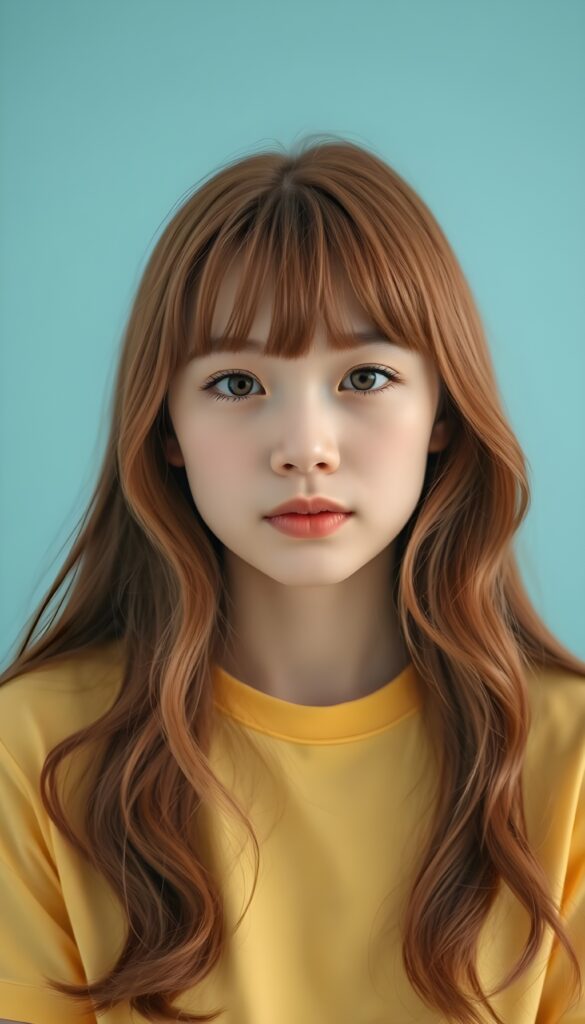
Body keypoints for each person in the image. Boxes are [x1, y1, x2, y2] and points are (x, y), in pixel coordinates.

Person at [0, 135, 583, 1024]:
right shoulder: (33, 750)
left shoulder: (567, 758)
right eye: (236, 383)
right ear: (167, 432)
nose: (303, 446)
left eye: (365, 376)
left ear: (441, 411)